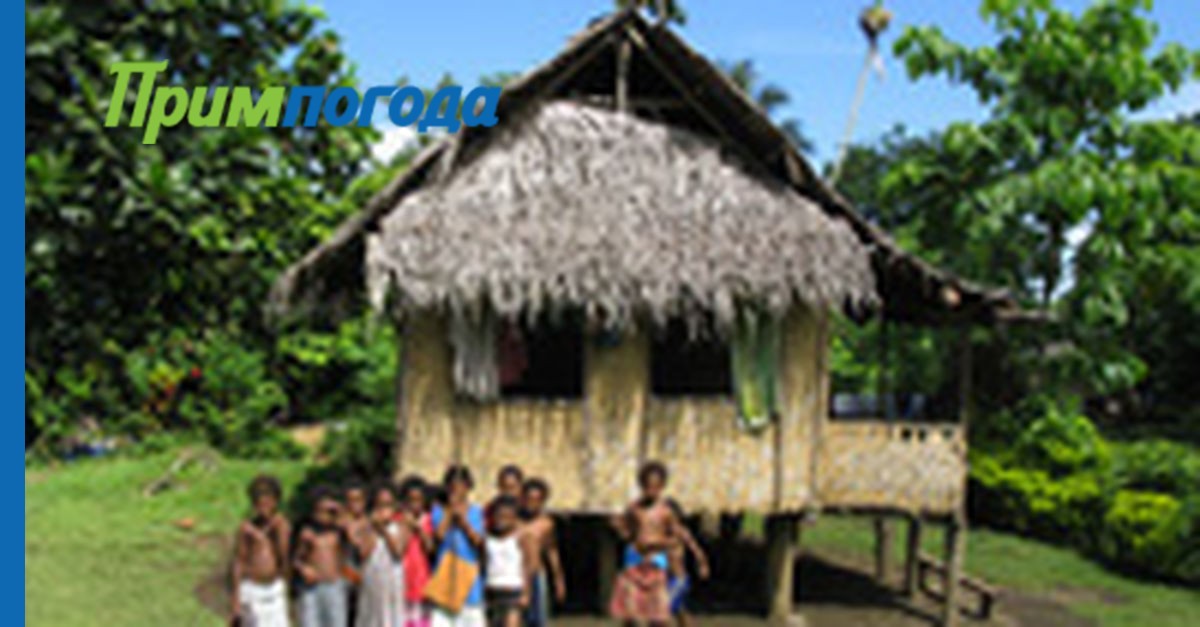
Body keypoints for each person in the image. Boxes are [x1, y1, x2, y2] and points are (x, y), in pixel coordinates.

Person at [609, 461, 680, 627]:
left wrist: (657, 543)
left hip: (656, 562)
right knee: (630, 614)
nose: (651, 491)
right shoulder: (634, 509)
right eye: (647, 486)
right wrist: (619, 528)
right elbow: (627, 532)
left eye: (655, 487)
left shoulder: (666, 512)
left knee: (658, 616)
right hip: (635, 562)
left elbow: (675, 538)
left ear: (662, 486)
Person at [230, 474, 292, 627]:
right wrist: (236, 599)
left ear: (275, 502)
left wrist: (275, 530)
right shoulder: (247, 528)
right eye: (259, 505)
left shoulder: (281, 525)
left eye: (267, 504)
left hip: (274, 588)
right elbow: (239, 561)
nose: (263, 509)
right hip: (252, 588)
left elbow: (285, 556)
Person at [430, 465, 487, 627]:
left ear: (468, 487)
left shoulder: (476, 511)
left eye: (461, 485)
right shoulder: (438, 511)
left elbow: (478, 542)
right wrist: (449, 513)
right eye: (452, 485)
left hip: (468, 575)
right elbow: (438, 537)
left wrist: (463, 522)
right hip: (445, 575)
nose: (456, 489)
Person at [354, 483, 411, 627]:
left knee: (391, 618)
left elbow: (398, 551)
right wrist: (374, 528)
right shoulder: (368, 527)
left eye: (388, 505)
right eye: (380, 505)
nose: (384, 510)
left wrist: (383, 530)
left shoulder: (401, 526)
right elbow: (363, 553)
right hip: (373, 581)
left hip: (392, 583)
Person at [294, 486, 350, 627]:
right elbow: (296, 560)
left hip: (334, 586)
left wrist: (337, 508)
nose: (324, 516)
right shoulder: (307, 533)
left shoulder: (338, 531)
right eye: (321, 511)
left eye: (329, 512)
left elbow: (352, 540)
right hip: (312, 588)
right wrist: (304, 569)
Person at [518, 478, 565, 627]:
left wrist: (558, 579)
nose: (531, 504)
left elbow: (551, 551)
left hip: (537, 575)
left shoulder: (546, 524)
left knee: (538, 620)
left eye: (536, 500)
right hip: (515, 575)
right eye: (528, 499)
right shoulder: (514, 521)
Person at [484, 496, 536, 627]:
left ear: (514, 518)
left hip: (513, 589)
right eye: (499, 516)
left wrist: (526, 592)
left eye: (507, 516)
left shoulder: (522, 537)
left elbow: (529, 565)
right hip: (492, 589)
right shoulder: (488, 537)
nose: (502, 520)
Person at [396, 476, 434, 627]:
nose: (415, 504)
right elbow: (399, 549)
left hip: (423, 583)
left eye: (419, 500)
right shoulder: (399, 519)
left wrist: (418, 528)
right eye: (411, 500)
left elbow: (430, 548)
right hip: (403, 582)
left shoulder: (428, 519)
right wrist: (407, 527)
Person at [664, 500, 709, 627]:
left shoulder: (681, 532)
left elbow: (697, 550)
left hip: (680, 579)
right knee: (680, 611)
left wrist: (703, 565)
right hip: (666, 579)